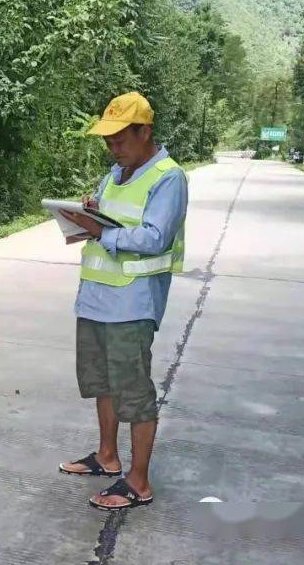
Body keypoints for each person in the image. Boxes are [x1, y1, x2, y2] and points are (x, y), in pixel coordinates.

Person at [57, 92, 188, 509]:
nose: (112, 147)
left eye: (119, 139)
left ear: (144, 132)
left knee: (133, 390)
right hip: (96, 300)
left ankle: (138, 481)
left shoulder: (168, 177)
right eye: (107, 140)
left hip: (132, 306)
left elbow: (155, 237)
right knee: (103, 383)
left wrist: (101, 232)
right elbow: (107, 221)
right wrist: (86, 217)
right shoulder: (115, 174)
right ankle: (107, 456)